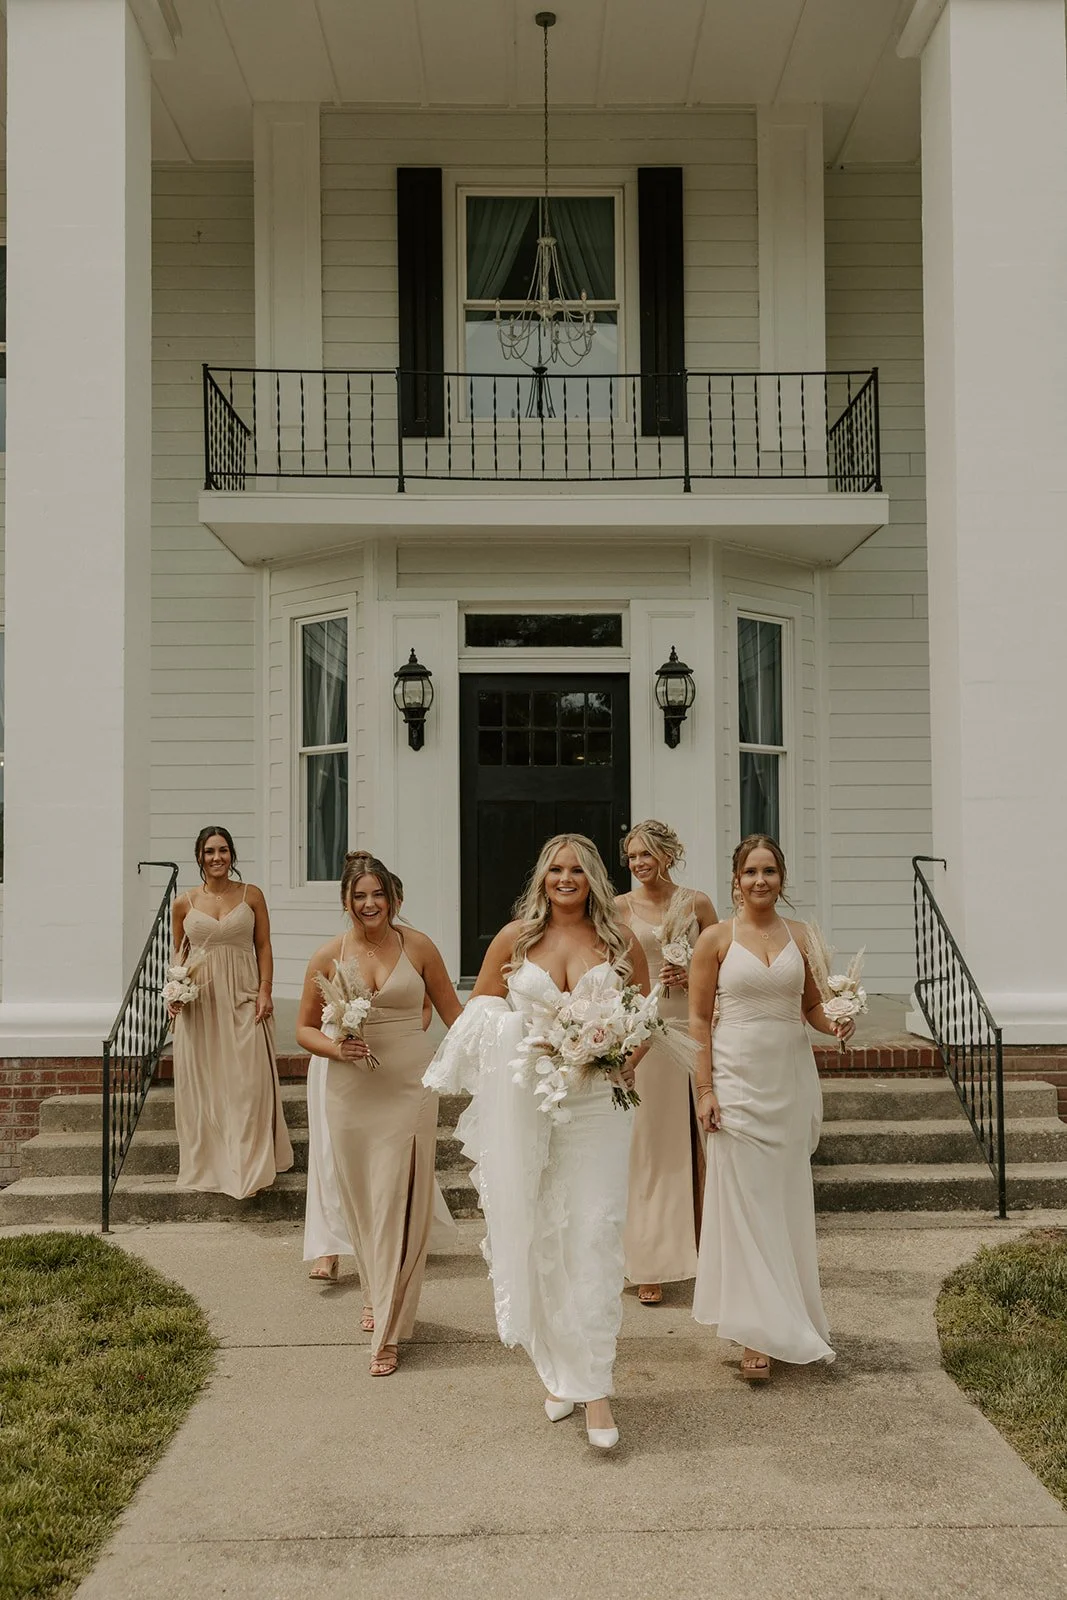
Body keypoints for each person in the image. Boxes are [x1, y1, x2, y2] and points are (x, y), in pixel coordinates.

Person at [426, 834, 652, 1450]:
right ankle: (561, 1370)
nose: (566, 878)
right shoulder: (514, 940)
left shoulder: (618, 942)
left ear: (594, 878)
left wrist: (625, 1055)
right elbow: (476, 1021)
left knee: (595, 1234)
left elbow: (646, 1017)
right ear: (542, 877)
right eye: (556, 868)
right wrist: (527, 1039)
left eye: (578, 868)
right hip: (533, 1108)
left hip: (600, 1108)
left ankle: (596, 1389)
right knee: (541, 1234)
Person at [688, 835, 855, 1380]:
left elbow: (810, 1004)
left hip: (788, 1079)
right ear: (735, 879)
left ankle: (791, 1313)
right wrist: (705, 1090)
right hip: (735, 1080)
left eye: (770, 871)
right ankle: (753, 1335)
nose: (761, 881)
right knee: (744, 1204)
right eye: (751, 872)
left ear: (782, 878)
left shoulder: (802, 936)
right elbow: (695, 1022)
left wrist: (836, 1021)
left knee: (782, 1200)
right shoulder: (714, 939)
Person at [295, 855, 462, 1376]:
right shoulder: (327, 955)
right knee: (364, 1202)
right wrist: (332, 1049)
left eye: (378, 894)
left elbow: (456, 1015)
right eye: (359, 896)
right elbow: (304, 1029)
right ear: (347, 900)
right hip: (350, 1091)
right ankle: (375, 1291)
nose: (370, 904)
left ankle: (387, 1330)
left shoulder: (420, 947)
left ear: (393, 897)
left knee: (399, 1201)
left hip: (410, 1086)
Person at [617, 820, 718, 1305]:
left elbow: (723, 958)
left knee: (693, 1139)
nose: (638, 864)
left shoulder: (696, 903)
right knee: (650, 1140)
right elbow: (609, 967)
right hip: (644, 1025)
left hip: (688, 1021)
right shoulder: (618, 908)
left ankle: (701, 1246)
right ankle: (648, 1259)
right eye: (632, 856)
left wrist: (694, 963)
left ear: (667, 856)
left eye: (646, 855)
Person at [169, 826, 293, 1198]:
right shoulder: (183, 903)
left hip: (244, 993)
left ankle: (249, 1169)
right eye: (209, 851)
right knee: (209, 1087)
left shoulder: (251, 895)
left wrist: (266, 990)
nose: (217, 857)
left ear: (232, 855)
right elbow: (180, 954)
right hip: (201, 1004)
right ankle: (214, 1165)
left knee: (247, 1085)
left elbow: (264, 946)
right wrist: (174, 992)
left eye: (223, 850)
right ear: (200, 857)